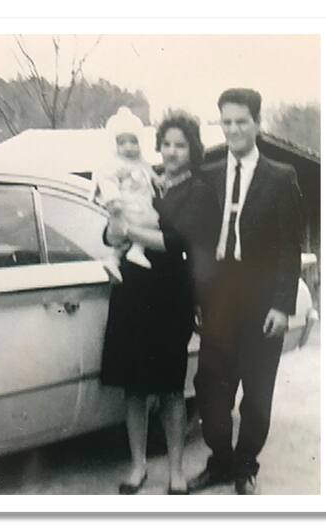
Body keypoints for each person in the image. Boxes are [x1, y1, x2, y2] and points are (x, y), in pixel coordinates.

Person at [187, 88, 303, 495]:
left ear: (257, 123)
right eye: (227, 121)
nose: (233, 129)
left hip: (260, 299)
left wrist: (283, 306)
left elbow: (291, 248)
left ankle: (245, 465)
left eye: (241, 121)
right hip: (219, 298)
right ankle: (220, 459)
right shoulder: (209, 173)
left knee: (256, 391)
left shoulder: (281, 176)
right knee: (210, 388)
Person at [100, 110, 214, 495]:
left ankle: (177, 471)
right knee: (134, 386)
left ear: (192, 150)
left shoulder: (198, 191)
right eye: (166, 144)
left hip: (169, 294)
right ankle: (138, 466)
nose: (171, 151)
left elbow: (176, 241)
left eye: (180, 145)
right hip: (133, 289)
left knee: (169, 387)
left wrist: (126, 228)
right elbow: (108, 230)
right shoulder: (144, 177)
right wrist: (115, 230)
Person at [91, 107, 161, 281]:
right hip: (126, 205)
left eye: (133, 142)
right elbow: (107, 182)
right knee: (145, 223)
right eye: (122, 143)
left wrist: (158, 181)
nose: (128, 147)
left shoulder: (141, 162)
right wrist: (113, 201)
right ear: (115, 145)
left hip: (140, 203)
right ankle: (130, 253)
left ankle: (117, 258)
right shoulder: (115, 164)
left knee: (138, 229)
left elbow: (150, 173)